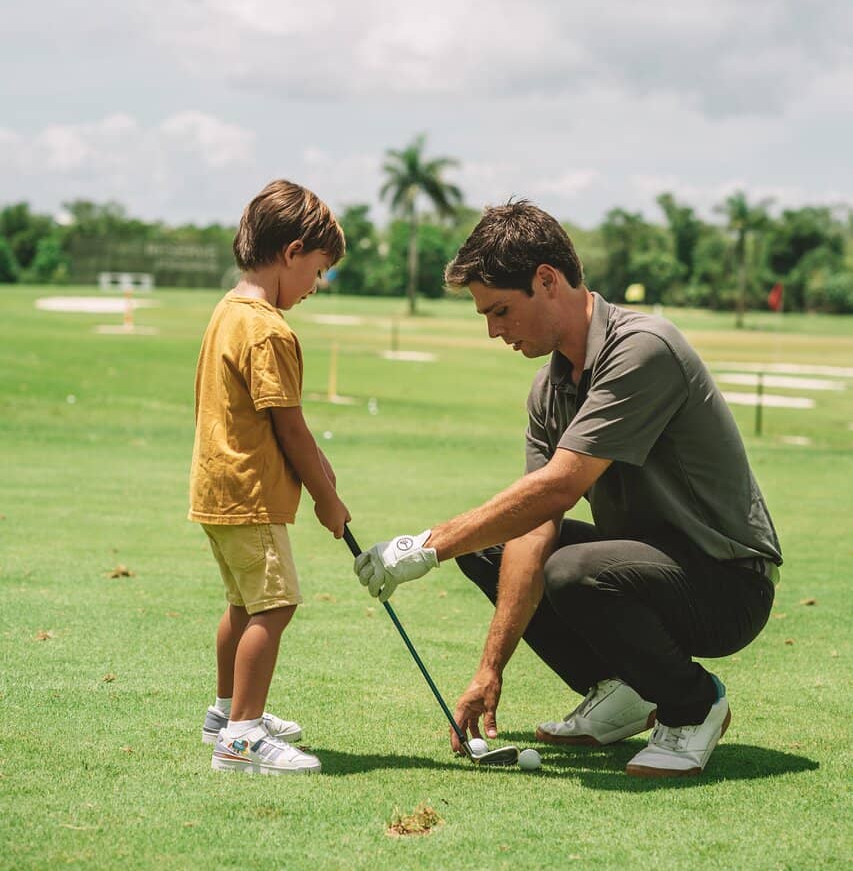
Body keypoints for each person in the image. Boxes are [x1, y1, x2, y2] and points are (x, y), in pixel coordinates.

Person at [353, 200, 781, 778]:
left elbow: (558, 488)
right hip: (644, 567)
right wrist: (490, 669)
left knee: (572, 570)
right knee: (492, 547)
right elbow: (534, 524)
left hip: (728, 584)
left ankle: (693, 705)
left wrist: (425, 545)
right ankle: (627, 691)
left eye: (500, 310)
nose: (493, 330)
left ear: (546, 280)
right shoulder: (549, 387)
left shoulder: (642, 349)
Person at [189, 179, 349, 776]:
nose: (316, 285)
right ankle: (242, 737)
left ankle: (225, 712)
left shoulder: (229, 310)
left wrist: (319, 469)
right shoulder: (269, 329)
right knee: (274, 607)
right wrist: (327, 499)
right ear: (292, 252)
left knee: (242, 602)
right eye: (318, 269)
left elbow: (280, 422)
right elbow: (291, 430)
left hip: (217, 489)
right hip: (252, 495)